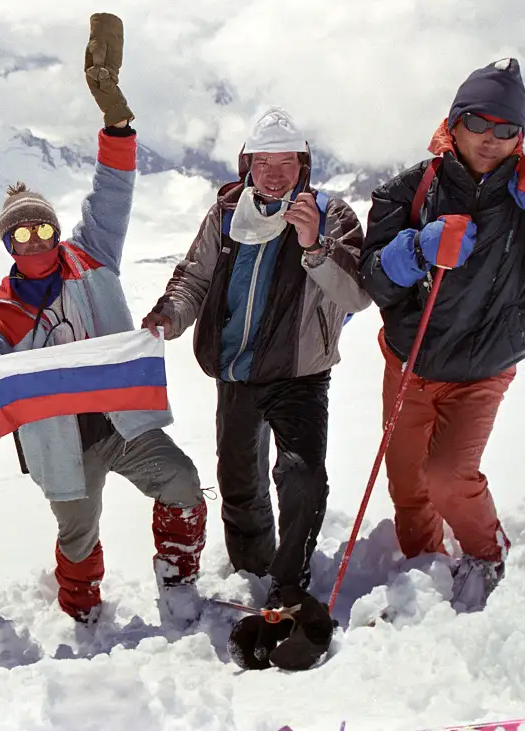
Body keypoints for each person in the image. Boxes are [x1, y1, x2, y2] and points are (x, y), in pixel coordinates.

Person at [0, 13, 207, 630]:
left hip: (124, 421)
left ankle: (177, 575)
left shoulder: (92, 257)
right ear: (8, 246)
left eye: (42, 226)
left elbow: (113, 188)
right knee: (76, 533)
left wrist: (116, 123)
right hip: (62, 446)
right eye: (21, 233)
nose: (35, 238)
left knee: (181, 482)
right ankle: (82, 610)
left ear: (57, 229)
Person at [358, 58, 525, 611]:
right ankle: (426, 565)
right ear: (454, 123)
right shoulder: (409, 191)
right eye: (480, 124)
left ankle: (486, 554)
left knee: (447, 476)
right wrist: (417, 248)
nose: (492, 140)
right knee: (408, 487)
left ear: (521, 137)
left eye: (506, 130)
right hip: (411, 363)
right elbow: (372, 278)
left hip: (485, 367)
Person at [141, 105, 370, 617]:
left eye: (286, 164)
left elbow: (357, 294)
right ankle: (252, 569)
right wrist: (171, 315)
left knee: (302, 475)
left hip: (300, 373)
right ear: (247, 164)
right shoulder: (226, 212)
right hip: (237, 372)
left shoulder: (332, 217)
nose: (273, 175)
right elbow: (194, 278)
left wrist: (314, 246)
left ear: (303, 167)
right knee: (239, 480)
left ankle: (291, 579)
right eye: (263, 163)